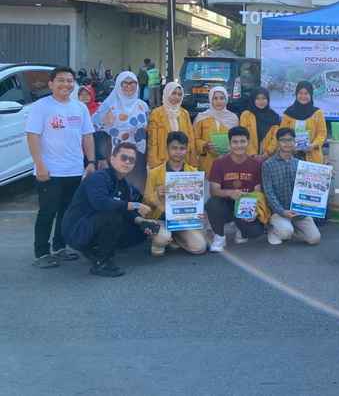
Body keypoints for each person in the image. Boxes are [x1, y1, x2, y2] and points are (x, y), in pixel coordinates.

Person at [25, 67, 97, 268]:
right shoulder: (42, 107)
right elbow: (33, 136)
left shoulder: (80, 108)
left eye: (69, 80)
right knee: (48, 212)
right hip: (49, 172)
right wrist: (39, 165)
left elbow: (87, 136)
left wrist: (90, 162)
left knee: (67, 212)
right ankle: (41, 253)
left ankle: (59, 247)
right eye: (61, 80)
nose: (66, 84)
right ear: (51, 84)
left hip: (74, 170)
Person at [61, 142, 158, 277]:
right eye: (123, 158)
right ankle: (102, 262)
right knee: (112, 216)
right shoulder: (99, 177)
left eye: (131, 160)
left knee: (139, 232)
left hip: (93, 224)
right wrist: (135, 205)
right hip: (76, 230)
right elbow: (101, 203)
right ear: (112, 159)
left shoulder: (123, 183)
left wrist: (142, 222)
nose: (127, 162)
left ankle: (96, 249)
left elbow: (126, 211)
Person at [143, 131, 207, 257]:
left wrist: (199, 212)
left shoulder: (193, 172)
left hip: (183, 220)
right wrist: (157, 195)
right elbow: (146, 199)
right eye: (174, 148)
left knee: (200, 248)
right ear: (167, 149)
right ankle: (160, 240)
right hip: (160, 219)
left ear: (186, 150)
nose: (178, 152)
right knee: (161, 242)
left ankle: (175, 237)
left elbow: (197, 201)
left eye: (182, 148)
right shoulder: (155, 172)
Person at [205, 126, 268, 253]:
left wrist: (254, 211)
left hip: (245, 204)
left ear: (248, 142)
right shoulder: (219, 163)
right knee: (212, 204)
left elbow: (257, 191)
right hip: (226, 203)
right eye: (235, 142)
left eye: (242, 141)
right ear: (229, 143)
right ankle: (220, 236)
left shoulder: (256, 164)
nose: (239, 145)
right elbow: (213, 190)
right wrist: (230, 193)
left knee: (255, 232)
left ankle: (241, 229)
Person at [261, 128, 322, 246]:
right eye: (283, 140)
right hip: (279, 211)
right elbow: (269, 192)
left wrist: (327, 174)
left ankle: (291, 229)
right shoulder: (268, 165)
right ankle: (274, 230)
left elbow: (311, 187)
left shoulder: (300, 164)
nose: (287, 143)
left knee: (315, 239)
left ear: (295, 142)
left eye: (290, 140)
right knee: (285, 233)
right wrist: (282, 211)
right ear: (278, 142)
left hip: (299, 211)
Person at [93, 71, 150, 192]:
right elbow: (99, 132)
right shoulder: (109, 106)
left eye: (132, 83)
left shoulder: (143, 106)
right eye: (125, 83)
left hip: (138, 156)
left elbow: (147, 130)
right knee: (118, 190)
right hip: (116, 155)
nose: (129, 86)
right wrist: (101, 158)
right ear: (118, 85)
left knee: (137, 189)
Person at [147, 82, 196, 169]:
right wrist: (154, 163)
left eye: (179, 94)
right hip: (162, 161)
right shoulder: (156, 113)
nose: (176, 97)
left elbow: (190, 139)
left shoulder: (184, 113)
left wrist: (192, 162)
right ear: (167, 93)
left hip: (182, 161)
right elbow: (152, 142)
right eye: (173, 93)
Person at [194, 86, 239, 175]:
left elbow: (238, 139)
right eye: (215, 98)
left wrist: (230, 147)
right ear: (211, 100)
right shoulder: (201, 117)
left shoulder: (233, 118)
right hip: (206, 162)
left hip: (228, 161)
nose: (219, 101)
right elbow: (194, 139)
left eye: (222, 98)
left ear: (226, 99)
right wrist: (204, 145)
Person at [279, 81, 327, 164]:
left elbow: (322, 134)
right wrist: (289, 146)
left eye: (306, 93)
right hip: (290, 156)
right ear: (296, 94)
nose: (303, 96)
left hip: (312, 155)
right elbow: (282, 134)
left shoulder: (317, 113)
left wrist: (312, 145)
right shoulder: (288, 113)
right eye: (300, 93)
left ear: (311, 95)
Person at [240, 87, 280, 158]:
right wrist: (253, 154)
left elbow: (276, 138)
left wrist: (267, 153)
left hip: (269, 157)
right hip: (248, 157)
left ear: (268, 100)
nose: (261, 101)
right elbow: (243, 135)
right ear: (253, 100)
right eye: (257, 98)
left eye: (264, 98)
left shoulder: (275, 116)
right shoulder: (246, 115)